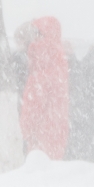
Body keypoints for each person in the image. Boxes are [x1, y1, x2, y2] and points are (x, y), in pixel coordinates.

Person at [20, 16, 69, 160]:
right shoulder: (59, 65)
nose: (34, 40)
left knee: (39, 175)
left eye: (37, 35)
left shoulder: (41, 73)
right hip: (56, 135)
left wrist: (22, 131)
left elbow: (32, 109)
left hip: (39, 139)